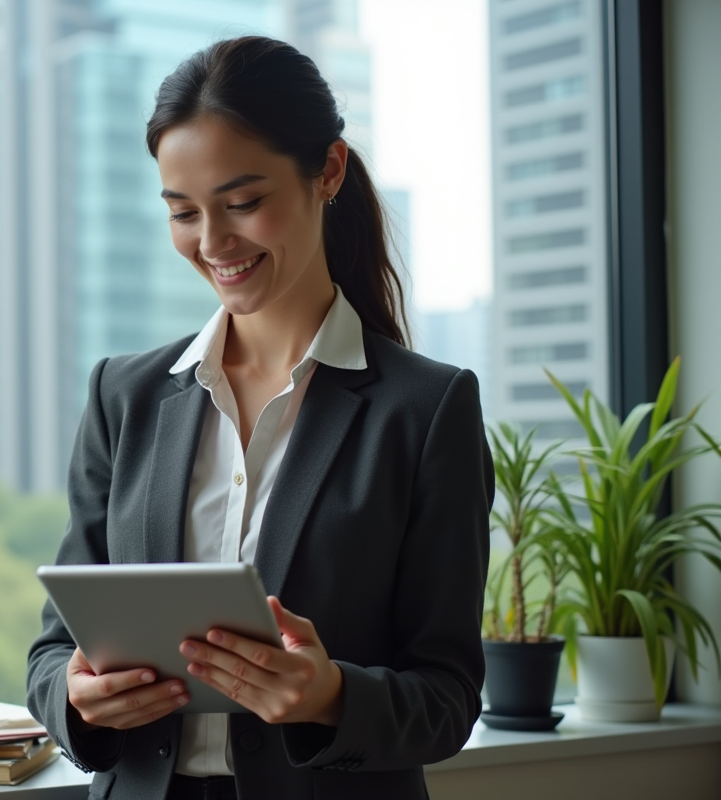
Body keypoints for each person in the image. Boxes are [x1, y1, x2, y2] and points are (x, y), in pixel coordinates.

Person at [27, 35, 491, 800]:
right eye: (183, 212)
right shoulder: (125, 396)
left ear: (328, 172)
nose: (213, 244)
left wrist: (328, 695)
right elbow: (53, 651)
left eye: (244, 203)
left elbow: (446, 698)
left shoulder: (425, 410)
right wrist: (77, 700)